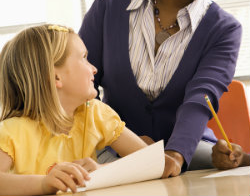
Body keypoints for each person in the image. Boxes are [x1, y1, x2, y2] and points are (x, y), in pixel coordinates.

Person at [79, 0, 242, 174]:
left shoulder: (224, 29)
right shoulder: (109, 5)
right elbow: (80, 87)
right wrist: (125, 142)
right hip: (110, 147)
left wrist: (175, 155)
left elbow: (200, 97)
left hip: (188, 150)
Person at [0, 24, 172, 196]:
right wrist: (44, 184)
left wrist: (101, 170)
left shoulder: (94, 114)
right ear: (55, 77)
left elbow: (155, 164)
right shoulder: (11, 131)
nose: (94, 68)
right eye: (84, 58)